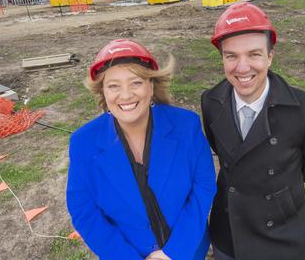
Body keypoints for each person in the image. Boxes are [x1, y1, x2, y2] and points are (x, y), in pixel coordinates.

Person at [201, 2, 305, 260]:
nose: (242, 67)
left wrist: (279, 189)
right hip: (229, 230)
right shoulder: (211, 102)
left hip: (281, 234)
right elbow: (223, 151)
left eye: (254, 54)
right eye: (231, 56)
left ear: (270, 56)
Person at [67, 39, 216, 260]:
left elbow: (203, 187)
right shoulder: (83, 142)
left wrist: (173, 253)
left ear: (151, 85)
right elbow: (84, 211)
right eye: (113, 85)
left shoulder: (187, 126)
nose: (126, 95)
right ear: (103, 93)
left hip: (188, 251)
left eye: (136, 82)